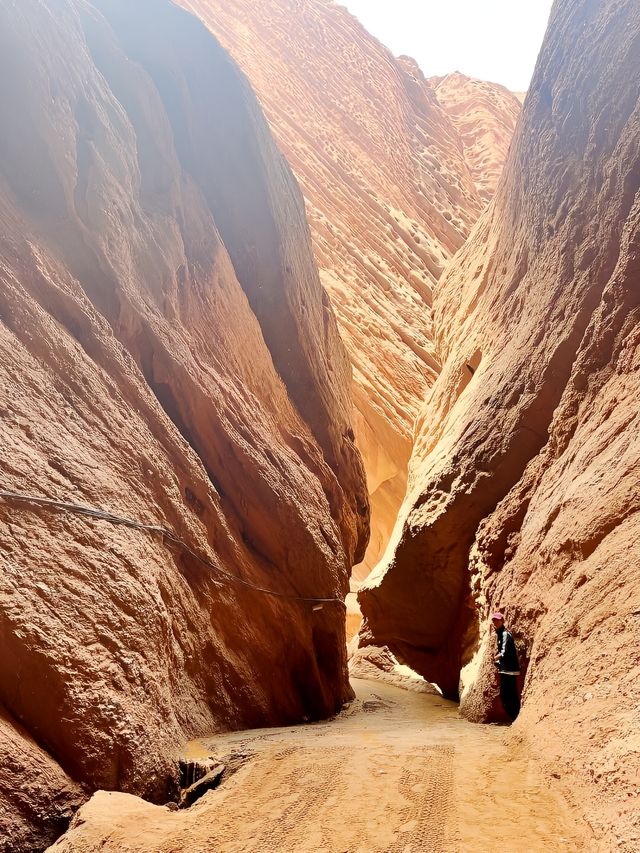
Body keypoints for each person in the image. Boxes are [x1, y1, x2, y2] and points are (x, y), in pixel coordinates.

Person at [491, 612, 521, 721]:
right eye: (494, 620)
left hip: (510, 670)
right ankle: (515, 718)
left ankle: (516, 717)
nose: (495, 622)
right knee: (507, 695)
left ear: (502, 621)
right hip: (505, 669)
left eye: (497, 620)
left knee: (509, 695)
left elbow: (504, 652)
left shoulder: (505, 634)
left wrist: (496, 658)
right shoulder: (499, 633)